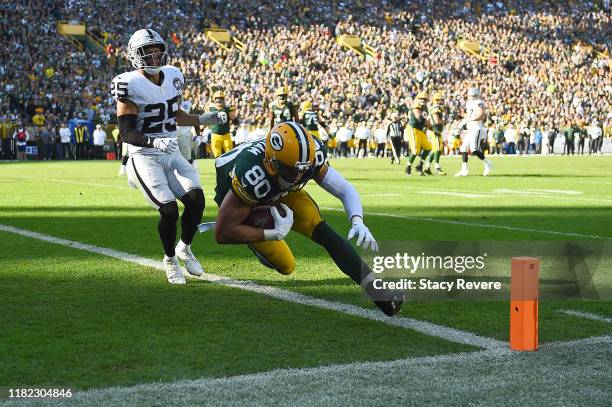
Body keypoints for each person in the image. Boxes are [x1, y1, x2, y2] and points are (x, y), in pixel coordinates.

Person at [211, 121, 403, 316]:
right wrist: (272, 233)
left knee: (324, 231)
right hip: (247, 199)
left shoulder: (308, 156)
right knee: (286, 265)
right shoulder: (252, 174)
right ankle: (257, 248)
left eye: (303, 170)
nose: (298, 176)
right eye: (291, 170)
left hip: (281, 191)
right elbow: (223, 232)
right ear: (271, 161)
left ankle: (379, 291)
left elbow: (344, 189)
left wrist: (357, 220)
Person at [112, 29, 227, 284]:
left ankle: (184, 247)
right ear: (134, 55)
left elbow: (174, 114)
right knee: (169, 210)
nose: (154, 58)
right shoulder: (128, 83)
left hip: (171, 149)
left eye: (156, 52)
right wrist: (153, 140)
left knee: (196, 199)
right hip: (144, 155)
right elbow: (127, 132)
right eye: (147, 53)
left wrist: (201, 119)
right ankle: (170, 260)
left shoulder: (174, 75)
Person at [454, 87, 493, 177]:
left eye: (473, 96)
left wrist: (470, 120)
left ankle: (488, 163)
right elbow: (468, 116)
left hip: (477, 128)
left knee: (474, 150)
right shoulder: (468, 103)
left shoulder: (479, 102)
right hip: (471, 129)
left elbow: (481, 115)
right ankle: (464, 170)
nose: (472, 97)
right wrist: (462, 123)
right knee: (464, 148)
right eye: (471, 96)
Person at [404, 92, 432, 176]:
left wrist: (432, 128)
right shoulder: (416, 105)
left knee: (428, 147)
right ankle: (408, 167)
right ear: (418, 99)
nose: (423, 100)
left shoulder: (425, 107)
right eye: (421, 99)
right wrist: (426, 122)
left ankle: (420, 165)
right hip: (413, 128)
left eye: (424, 99)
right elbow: (419, 117)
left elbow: (425, 121)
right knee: (416, 150)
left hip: (420, 129)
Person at [423, 92, 447, 175]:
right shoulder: (436, 108)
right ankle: (437, 168)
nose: (442, 101)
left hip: (434, 130)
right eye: (440, 99)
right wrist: (445, 121)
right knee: (438, 149)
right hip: (435, 130)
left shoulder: (435, 108)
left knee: (435, 149)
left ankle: (427, 167)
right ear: (436, 100)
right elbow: (436, 121)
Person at [209, 90, 237, 158]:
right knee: (217, 155)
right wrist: (201, 129)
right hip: (215, 135)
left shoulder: (228, 109)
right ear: (214, 100)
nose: (219, 100)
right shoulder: (210, 109)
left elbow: (235, 120)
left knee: (229, 154)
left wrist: (235, 128)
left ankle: (229, 168)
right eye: (217, 98)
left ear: (224, 99)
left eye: (221, 98)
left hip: (226, 134)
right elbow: (206, 120)